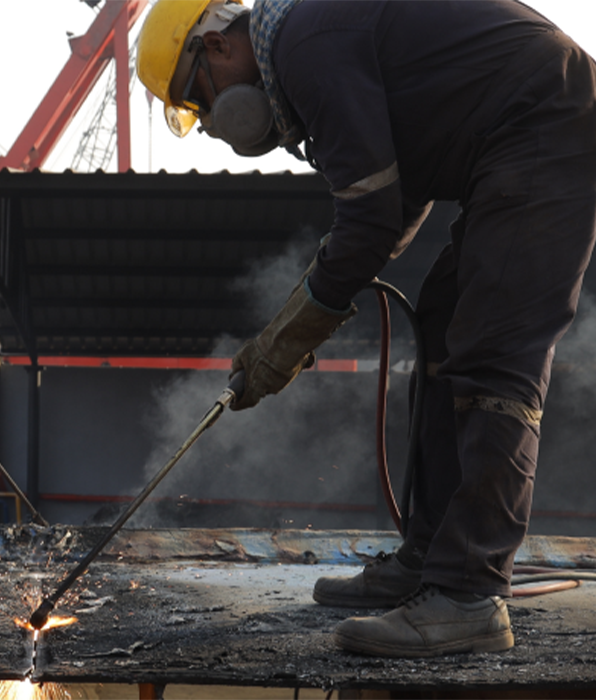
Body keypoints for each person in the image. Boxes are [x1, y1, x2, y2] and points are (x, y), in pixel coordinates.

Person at [137, 0, 596, 657]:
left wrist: (286, 339)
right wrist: (291, 330)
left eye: (198, 99)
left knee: (496, 350)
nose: (212, 124)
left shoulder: (302, 43)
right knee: (441, 318)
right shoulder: (310, 40)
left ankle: (467, 595)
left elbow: (371, 217)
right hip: (521, 132)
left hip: (547, 126)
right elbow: (392, 202)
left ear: (215, 49)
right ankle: (430, 559)